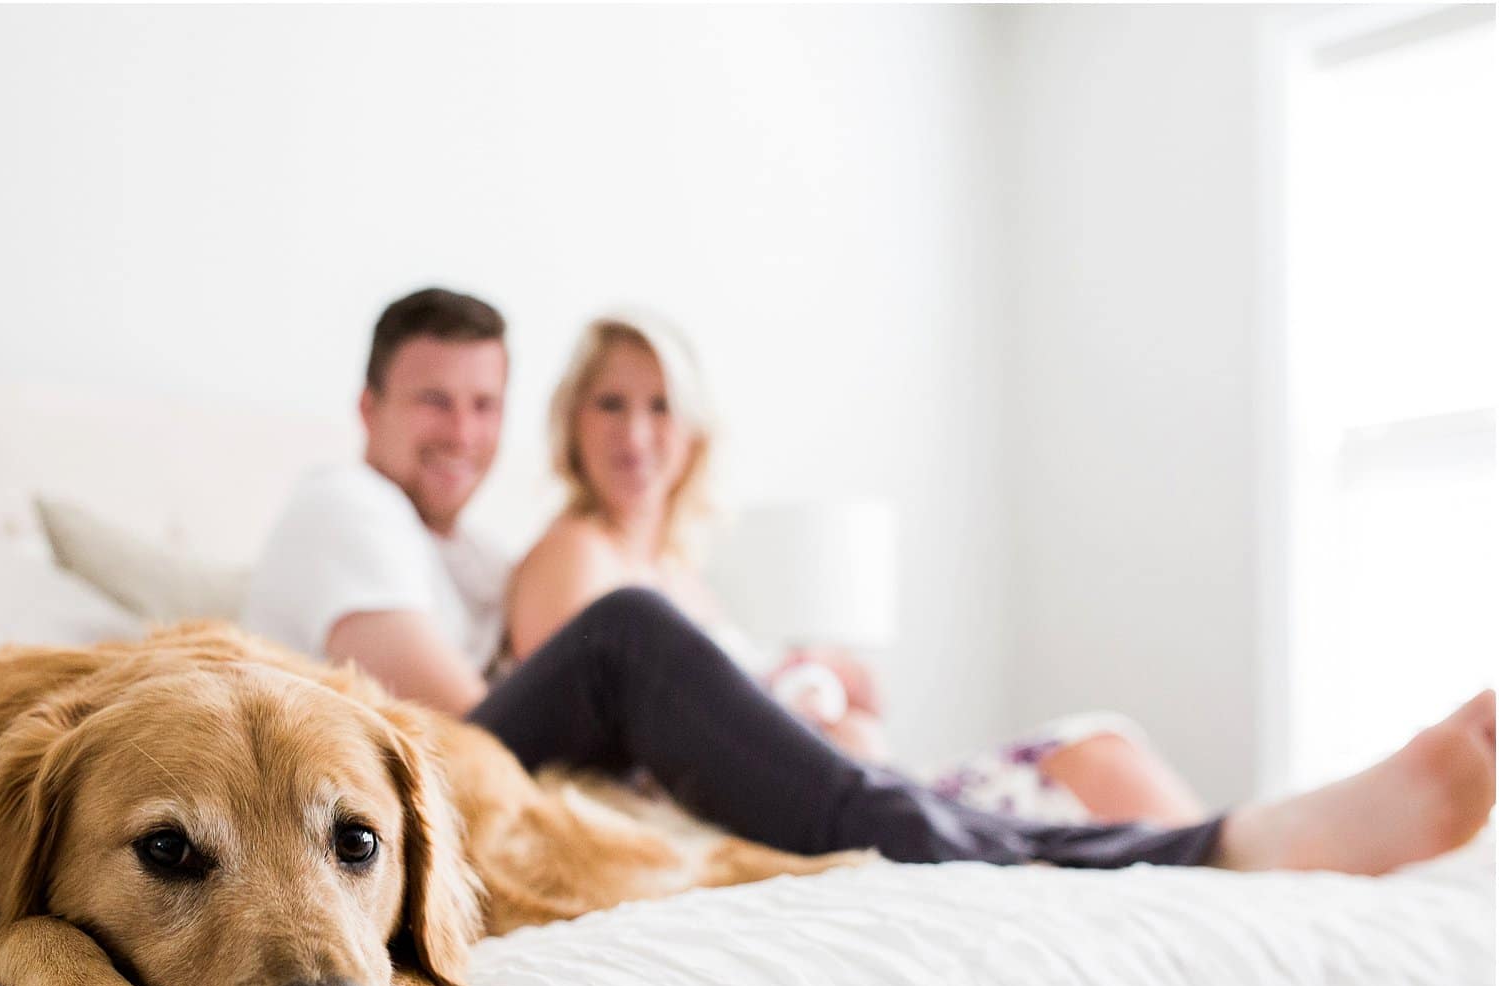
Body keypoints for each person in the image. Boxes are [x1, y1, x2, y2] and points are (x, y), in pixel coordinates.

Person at [243, 286, 1495, 874]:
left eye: (480, 406)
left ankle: (1209, 849)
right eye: (430, 404)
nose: (461, 432)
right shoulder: (343, 504)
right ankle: (1207, 851)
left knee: (1044, 755)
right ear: (366, 407)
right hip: (430, 795)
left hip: (527, 762)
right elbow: (448, 734)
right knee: (630, 632)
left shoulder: (464, 547)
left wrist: (790, 696)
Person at [505, 312, 1207, 827]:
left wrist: (808, 686)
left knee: (1102, 751)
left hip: (840, 786)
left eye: (660, 406)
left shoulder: (679, 573)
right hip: (802, 811)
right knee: (1094, 762)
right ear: (573, 421)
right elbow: (597, 762)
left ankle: (1246, 899)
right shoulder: (578, 555)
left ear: (692, 431)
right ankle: (1234, 879)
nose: (635, 434)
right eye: (610, 405)